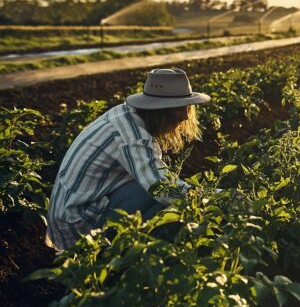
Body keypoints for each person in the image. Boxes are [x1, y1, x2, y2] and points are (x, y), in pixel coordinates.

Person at [46, 68, 210, 250]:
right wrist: (217, 199)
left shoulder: (128, 114)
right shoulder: (132, 136)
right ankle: (141, 255)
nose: (186, 116)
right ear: (161, 109)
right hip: (77, 227)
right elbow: (162, 189)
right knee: (162, 200)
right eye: (180, 108)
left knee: (155, 187)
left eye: (187, 107)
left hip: (76, 211)